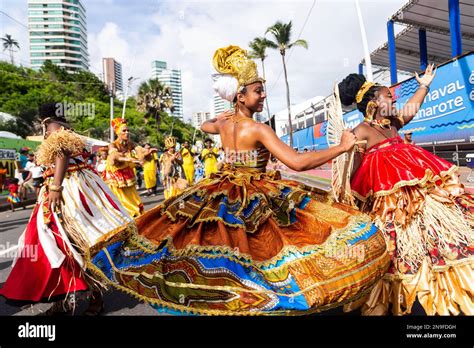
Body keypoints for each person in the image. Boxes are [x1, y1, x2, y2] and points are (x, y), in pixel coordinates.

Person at [87, 45, 389, 316]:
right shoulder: (258, 130)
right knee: (261, 253)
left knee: (226, 254)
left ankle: (225, 299)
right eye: (258, 90)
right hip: (253, 192)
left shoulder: (222, 122)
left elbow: (206, 125)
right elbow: (296, 161)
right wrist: (342, 147)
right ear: (240, 95)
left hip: (219, 188)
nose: (264, 95)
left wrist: (221, 120)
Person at [338, 64, 473, 316]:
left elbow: (412, 108)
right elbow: (353, 175)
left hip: (420, 197)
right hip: (391, 209)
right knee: (398, 254)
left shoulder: (393, 124)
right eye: (389, 96)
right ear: (373, 103)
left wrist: (425, 85)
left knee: (439, 239)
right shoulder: (361, 132)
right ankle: (402, 295)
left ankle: (441, 283)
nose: (394, 98)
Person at [0, 102, 134, 316]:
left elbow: (61, 153)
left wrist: (55, 187)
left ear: (42, 118)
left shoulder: (53, 127)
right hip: (77, 185)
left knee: (72, 243)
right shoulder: (65, 126)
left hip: (68, 188)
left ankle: (94, 299)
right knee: (61, 244)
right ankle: (62, 301)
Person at [105, 118, 144, 217]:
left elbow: (139, 149)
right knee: (119, 199)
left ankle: (134, 214)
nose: (127, 132)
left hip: (126, 172)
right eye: (124, 131)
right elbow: (114, 156)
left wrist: (141, 158)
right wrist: (128, 159)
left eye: (128, 130)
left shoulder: (130, 143)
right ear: (118, 132)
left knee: (132, 197)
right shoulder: (112, 144)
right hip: (115, 175)